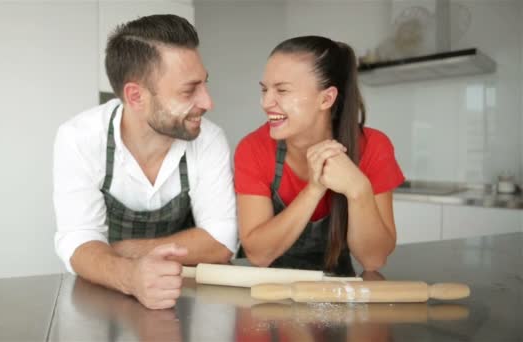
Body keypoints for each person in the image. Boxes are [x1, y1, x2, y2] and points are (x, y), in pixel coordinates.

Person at [53, 14, 237, 310]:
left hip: (185, 298)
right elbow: (78, 240)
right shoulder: (79, 138)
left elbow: (221, 241)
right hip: (106, 299)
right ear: (136, 96)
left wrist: (122, 251)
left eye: (205, 84)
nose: (207, 102)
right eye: (189, 90)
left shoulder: (209, 139)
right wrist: (131, 277)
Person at [234, 36, 404, 275]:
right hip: (263, 290)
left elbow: (373, 260)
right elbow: (258, 254)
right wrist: (313, 189)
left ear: (326, 98)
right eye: (264, 89)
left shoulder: (374, 147)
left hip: (335, 290)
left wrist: (358, 190)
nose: (265, 102)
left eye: (282, 90)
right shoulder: (253, 148)